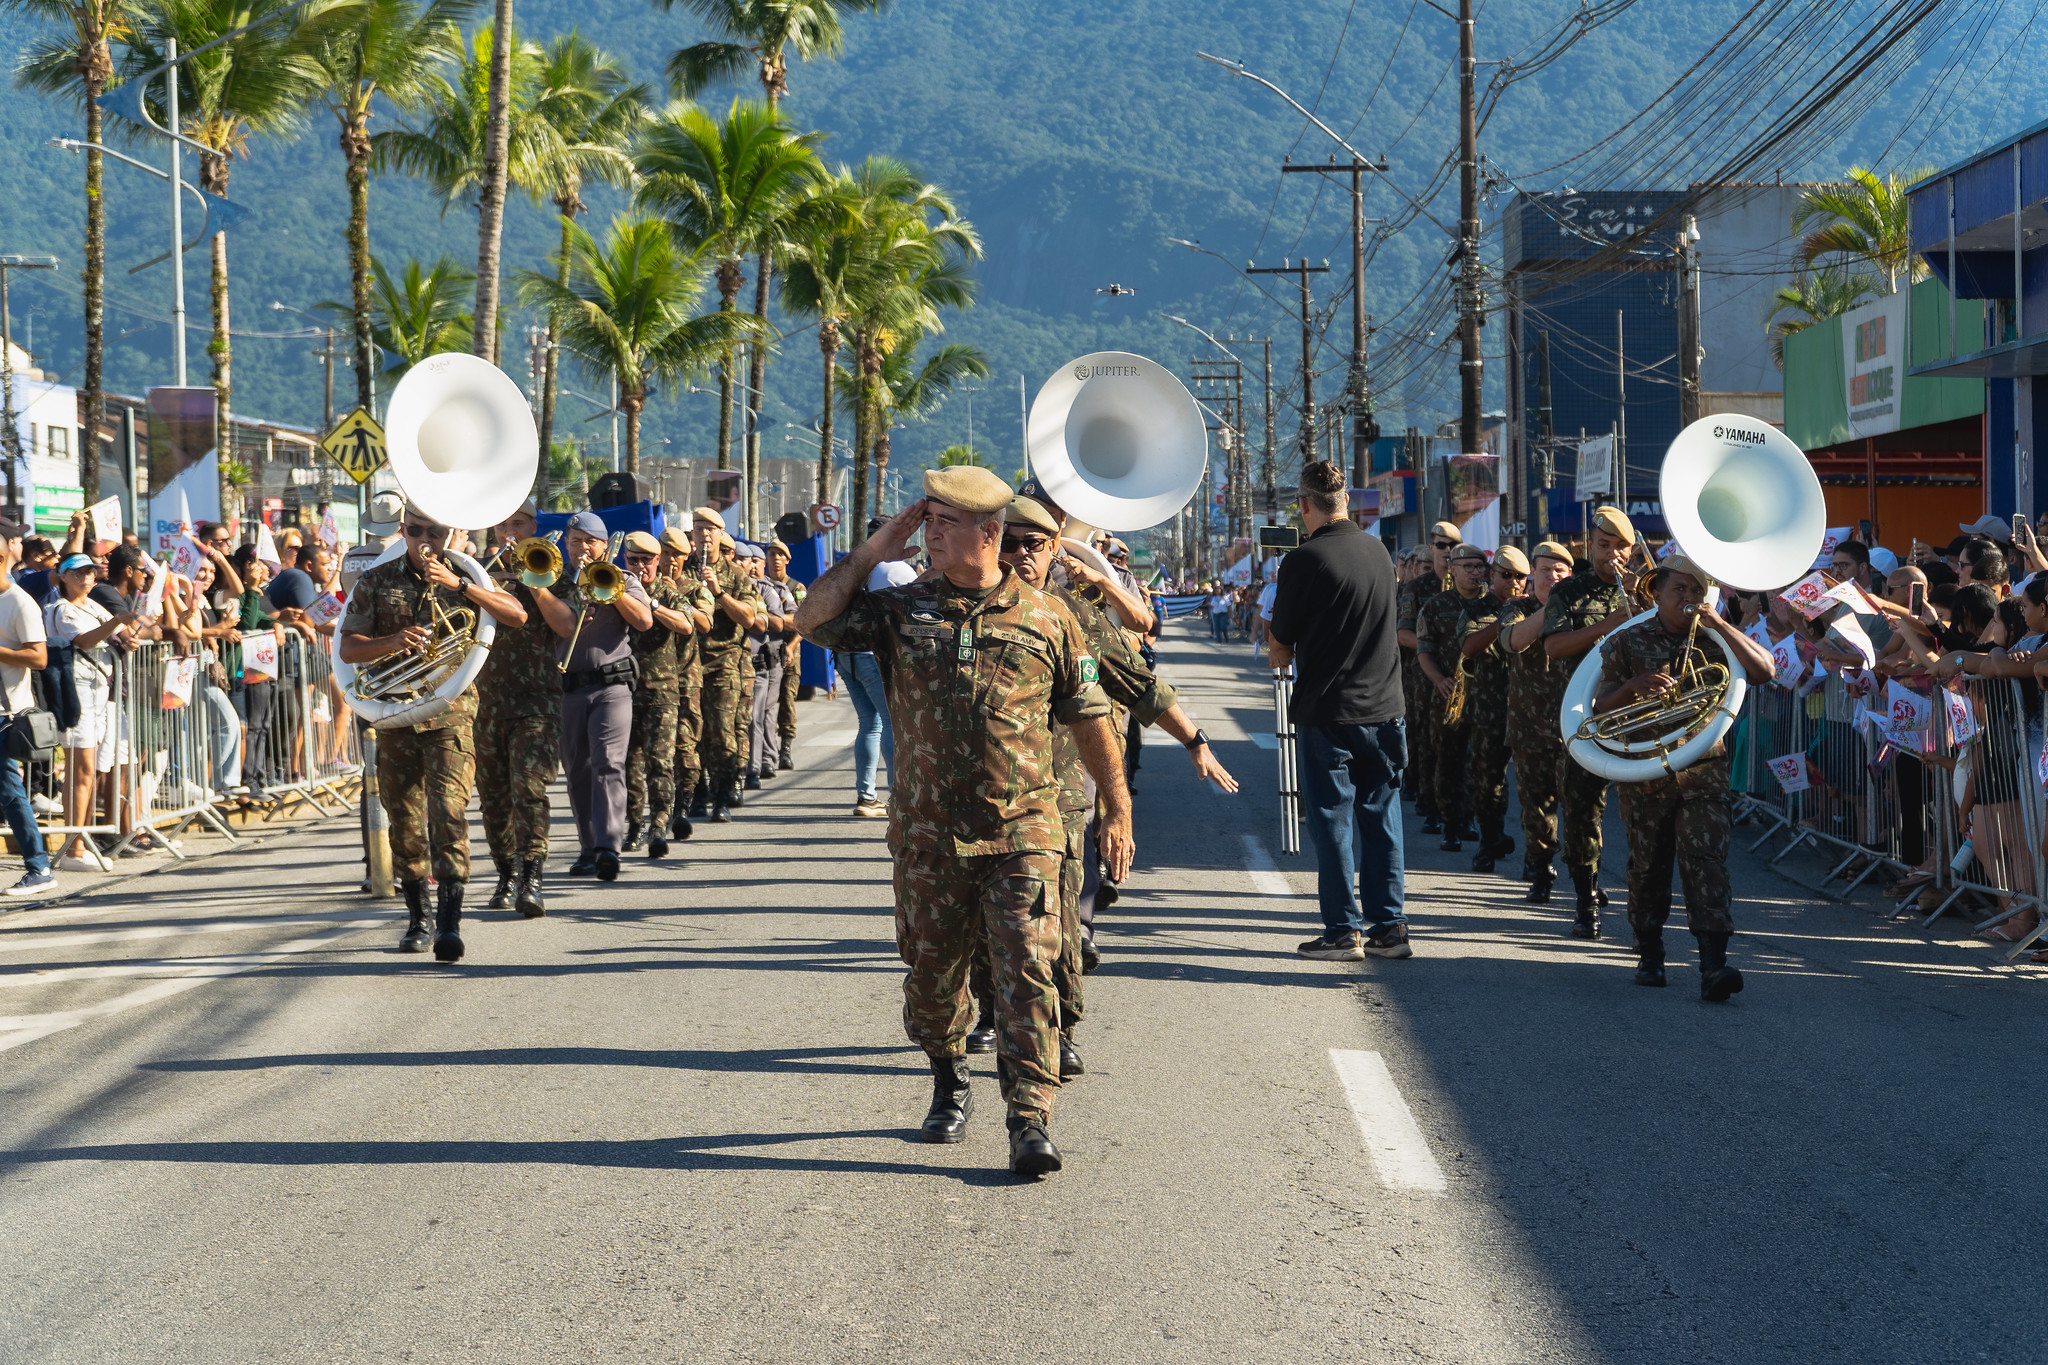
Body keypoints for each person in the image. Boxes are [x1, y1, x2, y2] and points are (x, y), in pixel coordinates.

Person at [795, 465, 1131, 1178]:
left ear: (988, 532)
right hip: (927, 835)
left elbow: (1092, 715)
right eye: (927, 521)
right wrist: (875, 548)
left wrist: (1117, 808)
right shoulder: (902, 608)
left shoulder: (1050, 616)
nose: (930, 534)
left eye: (944, 523)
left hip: (1024, 831)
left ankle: (1029, 1116)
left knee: (1026, 970)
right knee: (933, 978)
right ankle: (949, 1078)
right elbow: (810, 619)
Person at [985, 492, 1236, 1075]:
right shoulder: (958, 609)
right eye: (1011, 543)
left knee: (1061, 921)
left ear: (1054, 551)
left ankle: (1060, 1024)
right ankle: (993, 1013)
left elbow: (1138, 683)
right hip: (986, 797)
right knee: (989, 928)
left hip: (1062, 798)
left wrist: (1195, 740)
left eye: (1035, 545)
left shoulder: (1075, 613)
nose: (1022, 556)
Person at [338, 507, 527, 959]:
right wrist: (394, 642)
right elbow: (348, 646)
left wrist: (459, 586)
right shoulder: (378, 581)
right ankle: (418, 917)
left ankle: (449, 921)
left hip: (450, 716)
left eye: (435, 532)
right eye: (416, 530)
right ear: (403, 531)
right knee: (404, 821)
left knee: (448, 812)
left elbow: (516, 615)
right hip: (396, 712)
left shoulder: (467, 574)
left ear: (451, 534)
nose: (425, 539)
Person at [1594, 557, 1774, 997]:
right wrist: (1632, 688)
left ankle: (1714, 965)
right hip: (1645, 771)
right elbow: (1599, 708)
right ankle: (1650, 952)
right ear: (1656, 591)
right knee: (1648, 867)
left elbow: (1764, 671)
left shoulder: (1715, 640)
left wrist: (1719, 622)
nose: (1689, 598)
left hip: (1702, 771)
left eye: (1697, 590)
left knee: (1706, 861)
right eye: (1680, 589)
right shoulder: (1629, 640)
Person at [1269, 461, 1410, 961]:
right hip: (1387, 707)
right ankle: (1390, 928)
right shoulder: (1380, 552)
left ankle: (1342, 931)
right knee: (1382, 818)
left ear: (1304, 505)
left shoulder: (1304, 560)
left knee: (1332, 821)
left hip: (1330, 710)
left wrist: (1278, 646)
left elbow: (1280, 640)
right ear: (1346, 499)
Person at [528, 511, 654, 881]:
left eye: (589, 542)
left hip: (612, 687)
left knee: (608, 763)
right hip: (569, 689)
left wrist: (610, 591)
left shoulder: (623, 579)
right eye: (575, 541)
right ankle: (588, 848)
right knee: (578, 771)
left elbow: (644, 621)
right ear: (566, 545)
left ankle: (608, 847)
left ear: (604, 547)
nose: (582, 548)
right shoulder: (553, 580)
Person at [1542, 505, 1638, 936]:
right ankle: (1585, 900)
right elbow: (1555, 647)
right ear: (1590, 545)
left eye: (1621, 548)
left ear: (1633, 551)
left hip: (1636, 717)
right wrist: (1610, 624)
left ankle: (1644, 912)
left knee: (1644, 818)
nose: (1611, 555)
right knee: (1581, 813)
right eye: (1604, 546)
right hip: (1583, 719)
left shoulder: (1644, 592)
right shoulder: (1569, 591)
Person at [474, 503, 564, 915]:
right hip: (485, 702)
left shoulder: (551, 568)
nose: (509, 531)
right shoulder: (474, 571)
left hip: (537, 699)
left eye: (519, 523)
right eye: (502, 524)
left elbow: (565, 625)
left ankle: (532, 875)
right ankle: (506, 872)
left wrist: (534, 582)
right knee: (493, 797)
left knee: (528, 789)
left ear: (533, 527)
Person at [46, 554, 139, 870]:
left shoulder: (94, 605)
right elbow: (83, 640)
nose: (87, 577)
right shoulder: (61, 609)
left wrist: (132, 629)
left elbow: (122, 636)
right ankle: (73, 848)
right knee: (80, 770)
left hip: (101, 693)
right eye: (79, 573)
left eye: (91, 572)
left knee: (88, 770)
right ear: (63, 577)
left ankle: (80, 842)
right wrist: (116, 623)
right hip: (76, 692)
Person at [1495, 541, 1575, 901]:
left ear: (1570, 576)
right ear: (1532, 577)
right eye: (1545, 570)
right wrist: (1550, 608)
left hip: (1575, 729)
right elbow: (1513, 642)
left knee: (1582, 808)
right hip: (1530, 729)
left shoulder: (1582, 613)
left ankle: (1585, 879)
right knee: (1537, 809)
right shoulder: (1517, 610)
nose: (1552, 577)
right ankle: (1541, 871)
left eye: (1560, 572)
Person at [623, 529, 700, 861]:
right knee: (628, 763)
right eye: (633, 560)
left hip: (662, 691)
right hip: (624, 690)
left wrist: (650, 603)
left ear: (657, 562)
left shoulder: (667, 592)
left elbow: (686, 625)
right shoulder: (616, 588)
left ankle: (658, 823)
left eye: (646, 560)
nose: (640, 567)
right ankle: (634, 823)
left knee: (659, 762)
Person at [834, 515, 918, 818]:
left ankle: (866, 796)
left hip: (846, 653)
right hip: (874, 654)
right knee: (891, 722)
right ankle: (897, 794)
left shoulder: (855, 567)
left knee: (869, 724)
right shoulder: (896, 568)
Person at [1455, 544, 1530, 871]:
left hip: (1530, 713)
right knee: (1487, 783)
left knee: (1533, 788)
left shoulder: (1536, 608)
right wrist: (1503, 621)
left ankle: (1536, 857)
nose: (1513, 582)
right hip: (1488, 712)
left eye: (1520, 577)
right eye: (1506, 575)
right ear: (1493, 575)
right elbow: (1468, 648)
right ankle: (1489, 840)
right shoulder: (1476, 608)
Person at [684, 510, 760, 822]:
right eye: (698, 529)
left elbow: (750, 619)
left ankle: (723, 795)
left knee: (723, 732)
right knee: (692, 732)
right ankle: (698, 791)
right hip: (688, 663)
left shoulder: (736, 575)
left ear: (720, 533)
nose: (703, 535)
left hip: (726, 663)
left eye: (709, 530)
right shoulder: (682, 569)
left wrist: (719, 592)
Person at [1414, 542, 1491, 852]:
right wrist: (1439, 680)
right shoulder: (1435, 606)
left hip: (1488, 696)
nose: (1475, 573)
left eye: (1479, 567)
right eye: (1468, 567)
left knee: (1481, 764)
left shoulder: (1494, 604)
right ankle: (1450, 824)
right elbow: (1424, 651)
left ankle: (1470, 819)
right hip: (1449, 696)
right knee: (1448, 761)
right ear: (1453, 570)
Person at [0, 517, 53, 896]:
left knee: (9, 791)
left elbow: (39, 658)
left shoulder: (20, 602)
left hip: (6, 715)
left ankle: (39, 867)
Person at [1396, 521, 1459, 831]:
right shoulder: (1416, 588)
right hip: (1422, 678)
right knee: (1427, 742)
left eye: (1452, 545)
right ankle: (1429, 802)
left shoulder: (1472, 582)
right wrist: (1430, 645)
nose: (1447, 551)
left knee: (1463, 748)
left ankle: (1463, 814)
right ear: (1432, 547)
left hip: (1464, 681)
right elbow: (1401, 633)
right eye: (1441, 545)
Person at [661, 526, 712, 842]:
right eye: (665, 554)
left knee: (684, 742)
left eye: (676, 555)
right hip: (650, 677)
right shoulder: (645, 585)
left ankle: (684, 802)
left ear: (686, 556)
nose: (669, 560)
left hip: (685, 677)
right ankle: (657, 810)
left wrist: (675, 598)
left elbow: (705, 622)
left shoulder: (696, 589)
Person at [743, 542, 798, 785]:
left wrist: (789, 644)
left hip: (772, 652)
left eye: (757, 561)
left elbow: (797, 621)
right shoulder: (740, 587)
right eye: (749, 560)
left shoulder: (779, 589)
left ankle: (768, 757)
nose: (753, 565)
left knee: (767, 708)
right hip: (745, 653)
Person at [766, 541, 804, 770]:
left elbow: (805, 623)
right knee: (766, 704)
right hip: (766, 650)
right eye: (772, 554)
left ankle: (786, 748)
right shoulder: (760, 584)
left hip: (789, 651)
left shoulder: (796, 587)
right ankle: (766, 748)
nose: (776, 558)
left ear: (787, 560)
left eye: (780, 555)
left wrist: (791, 647)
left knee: (787, 701)